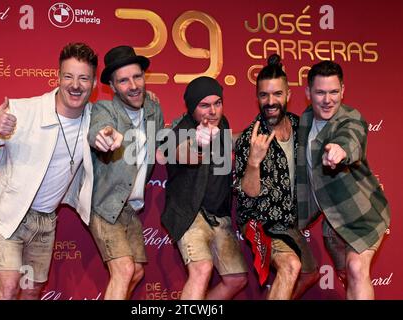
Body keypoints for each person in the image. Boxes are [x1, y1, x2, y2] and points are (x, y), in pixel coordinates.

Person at [0, 42, 97, 299]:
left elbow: (128, 110)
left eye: (83, 78)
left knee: (31, 292)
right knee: (9, 286)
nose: (75, 85)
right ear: (57, 77)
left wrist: (147, 100)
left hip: (45, 219)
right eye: (68, 76)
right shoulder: (23, 111)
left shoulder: (96, 119)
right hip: (6, 212)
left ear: (94, 83)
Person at [296, 60, 390, 300]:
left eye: (334, 92)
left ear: (343, 91)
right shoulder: (305, 120)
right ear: (308, 93)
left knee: (357, 268)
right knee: (349, 275)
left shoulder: (350, 118)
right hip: (333, 223)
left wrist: (340, 151)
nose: (328, 99)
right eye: (320, 92)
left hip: (362, 215)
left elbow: (351, 138)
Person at [235, 54, 318, 299]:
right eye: (264, 95)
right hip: (260, 221)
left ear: (288, 95)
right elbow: (248, 194)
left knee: (310, 274)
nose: (270, 102)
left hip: (289, 222)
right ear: (257, 97)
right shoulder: (250, 138)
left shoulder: (300, 125)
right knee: (291, 265)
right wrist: (254, 161)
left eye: (277, 94)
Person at [88, 45, 164, 300]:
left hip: (131, 208)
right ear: (112, 85)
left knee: (137, 272)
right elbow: (98, 129)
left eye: (137, 77)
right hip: (104, 205)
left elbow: (163, 141)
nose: (133, 85)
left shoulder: (154, 111)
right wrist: (104, 136)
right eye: (123, 80)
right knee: (124, 269)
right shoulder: (104, 111)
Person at [161, 76, 248, 300]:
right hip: (191, 215)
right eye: (204, 105)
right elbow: (184, 153)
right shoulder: (181, 131)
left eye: (217, 103)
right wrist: (198, 144)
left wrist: (252, 136)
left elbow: (229, 140)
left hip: (220, 216)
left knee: (236, 279)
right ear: (192, 108)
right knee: (202, 269)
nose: (213, 111)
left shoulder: (223, 123)